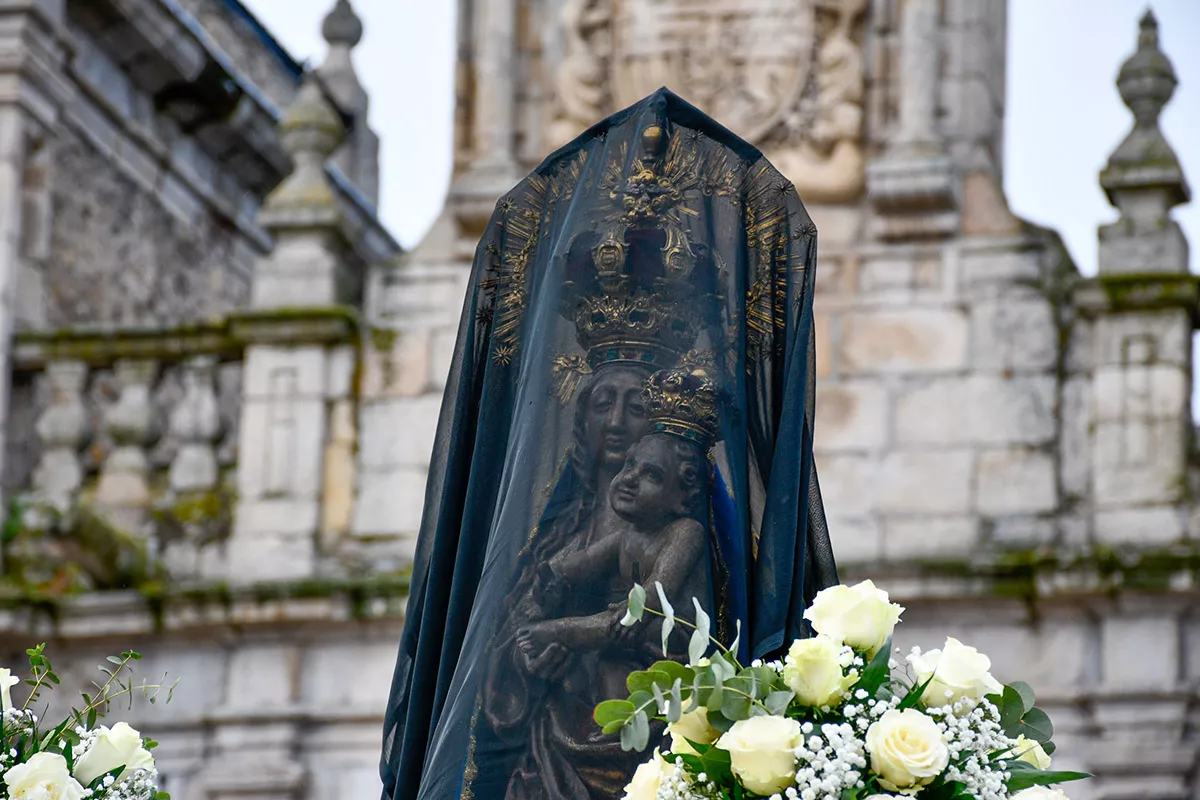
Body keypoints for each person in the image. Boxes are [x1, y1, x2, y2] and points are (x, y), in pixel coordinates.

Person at [380, 89, 838, 800]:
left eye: (635, 403)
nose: (619, 421)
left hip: (667, 747)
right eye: (603, 403)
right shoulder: (550, 516)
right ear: (579, 413)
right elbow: (500, 636)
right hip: (543, 756)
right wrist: (523, 648)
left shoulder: (693, 520)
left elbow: (701, 625)